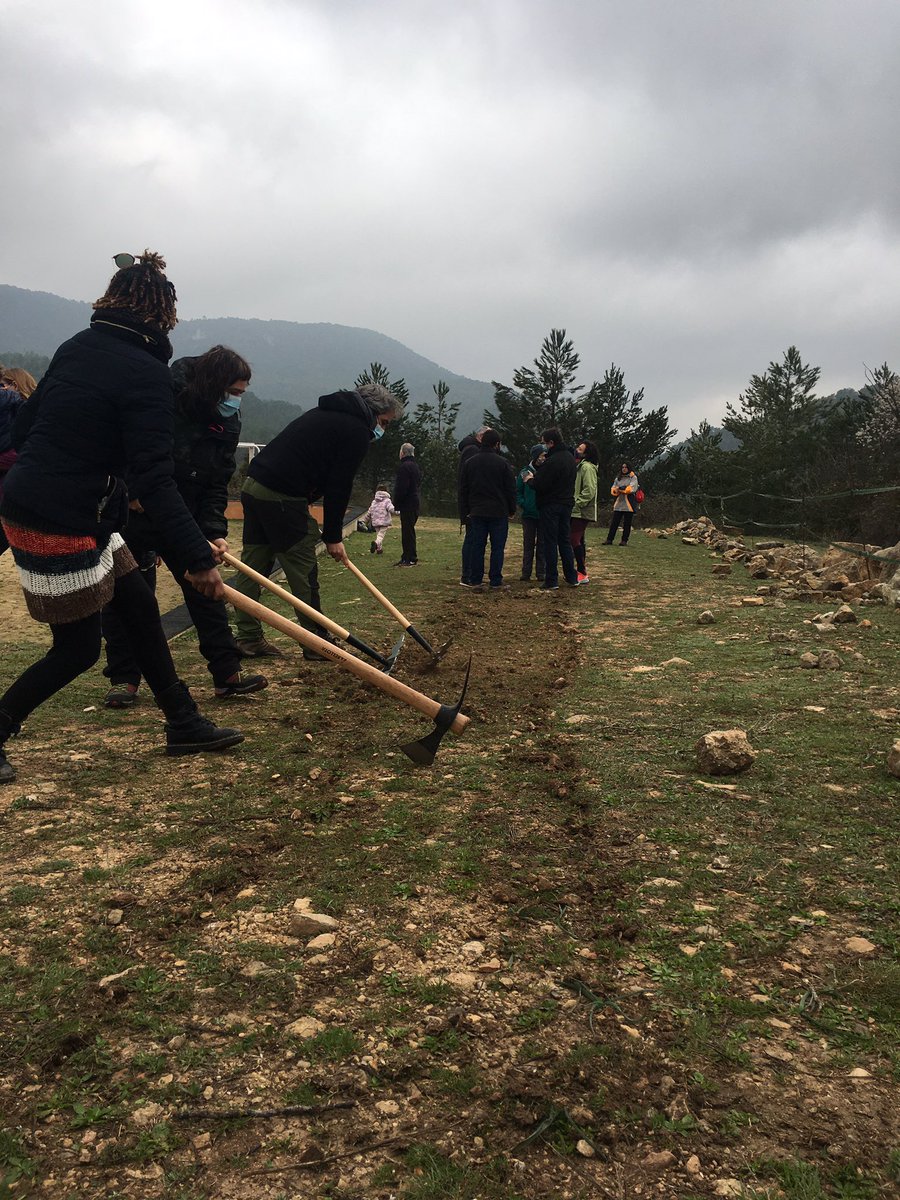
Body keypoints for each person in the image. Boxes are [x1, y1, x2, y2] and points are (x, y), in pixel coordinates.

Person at [0, 251, 242, 785]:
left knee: (136, 603)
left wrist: (100, 477)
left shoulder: (76, 346)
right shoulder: (149, 374)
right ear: (164, 314)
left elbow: (24, 433)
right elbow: (157, 481)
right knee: (78, 649)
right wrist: (198, 558)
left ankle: (182, 720)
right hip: (53, 519)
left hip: (69, 507)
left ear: (111, 299)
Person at [100, 346, 267, 707]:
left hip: (185, 514)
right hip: (138, 509)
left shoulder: (226, 420)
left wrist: (213, 530)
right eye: (234, 392)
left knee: (207, 587)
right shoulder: (163, 396)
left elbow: (218, 479)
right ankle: (124, 679)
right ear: (213, 384)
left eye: (241, 393)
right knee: (127, 596)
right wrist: (130, 490)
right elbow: (123, 445)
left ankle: (227, 673)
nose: (237, 400)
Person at [230, 382, 402, 661]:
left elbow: (313, 463)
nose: (383, 429)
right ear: (374, 412)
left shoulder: (327, 413)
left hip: (254, 486)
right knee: (302, 567)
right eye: (384, 422)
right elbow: (339, 484)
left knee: (254, 565)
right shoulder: (356, 430)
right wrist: (333, 536)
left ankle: (248, 638)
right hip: (281, 495)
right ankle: (317, 642)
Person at [458, 428, 516, 590]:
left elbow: (464, 490)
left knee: (478, 546)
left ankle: (476, 580)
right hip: (499, 511)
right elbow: (510, 489)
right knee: (497, 547)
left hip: (477, 512)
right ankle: (495, 580)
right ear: (497, 444)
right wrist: (512, 509)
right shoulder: (503, 463)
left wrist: (465, 511)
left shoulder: (470, 463)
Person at [528, 428, 579, 590]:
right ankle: (572, 577)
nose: (543, 446)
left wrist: (530, 480)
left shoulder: (552, 461)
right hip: (567, 504)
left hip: (550, 505)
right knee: (564, 541)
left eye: (544, 443)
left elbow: (540, 485)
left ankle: (551, 579)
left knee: (550, 542)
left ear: (551, 442)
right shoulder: (570, 458)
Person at [0, 369, 37, 556]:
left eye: (4, 385)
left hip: (15, 494)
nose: (2, 389)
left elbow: (23, 451)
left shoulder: (24, 412)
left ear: (15, 385)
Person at [457, 426, 488, 585]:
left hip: (471, 503)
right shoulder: (472, 451)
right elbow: (468, 481)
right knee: (472, 539)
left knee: (473, 538)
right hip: (472, 505)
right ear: (481, 437)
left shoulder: (470, 449)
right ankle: (467, 575)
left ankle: (470, 574)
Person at [516, 444, 546, 582]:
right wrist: (524, 504)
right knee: (528, 544)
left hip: (543, 514)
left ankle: (541, 572)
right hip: (529, 514)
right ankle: (526, 572)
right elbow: (518, 491)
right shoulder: (524, 472)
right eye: (542, 455)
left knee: (542, 544)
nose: (544, 458)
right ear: (536, 456)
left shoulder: (547, 471)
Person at [571, 440, 599, 583]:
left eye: (580, 449)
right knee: (579, 540)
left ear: (586, 453)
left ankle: (582, 572)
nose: (577, 450)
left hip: (581, 510)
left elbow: (589, 490)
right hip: (578, 509)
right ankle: (580, 572)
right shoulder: (580, 466)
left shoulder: (587, 467)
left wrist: (577, 503)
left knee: (574, 539)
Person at [392, 441, 421, 566]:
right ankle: (408, 556)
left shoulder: (404, 467)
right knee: (409, 531)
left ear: (403, 453)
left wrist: (396, 502)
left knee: (407, 532)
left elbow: (401, 487)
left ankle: (409, 557)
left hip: (407, 503)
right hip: (414, 502)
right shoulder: (415, 466)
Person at [605, 461, 640, 546]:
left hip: (629, 504)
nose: (624, 469)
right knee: (614, 523)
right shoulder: (618, 478)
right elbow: (613, 489)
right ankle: (609, 539)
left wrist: (619, 489)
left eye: (626, 467)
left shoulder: (633, 477)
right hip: (619, 503)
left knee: (627, 523)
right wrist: (619, 489)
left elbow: (630, 489)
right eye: (623, 467)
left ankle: (624, 540)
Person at [361, 481, 395, 554]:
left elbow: (369, 512)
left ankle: (379, 550)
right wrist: (398, 511)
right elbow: (391, 509)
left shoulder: (374, 501)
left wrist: (364, 520)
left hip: (375, 522)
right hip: (384, 521)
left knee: (378, 535)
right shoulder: (387, 500)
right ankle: (376, 544)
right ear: (386, 492)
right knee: (381, 536)